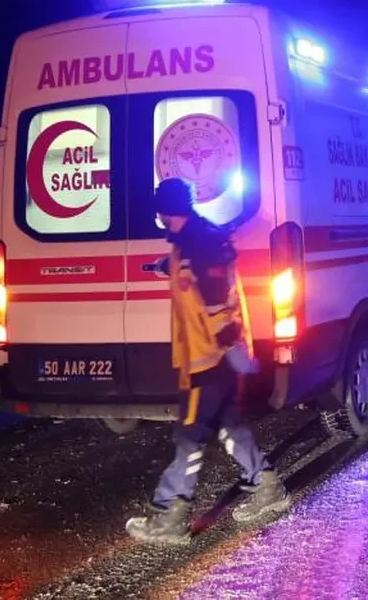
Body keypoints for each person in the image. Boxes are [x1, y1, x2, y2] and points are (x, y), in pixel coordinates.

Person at [125, 178, 290, 544]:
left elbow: (214, 295)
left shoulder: (197, 246)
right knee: (230, 424)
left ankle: (171, 515)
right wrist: (161, 266)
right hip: (219, 358)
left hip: (208, 360)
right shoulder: (196, 240)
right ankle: (268, 486)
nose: (161, 220)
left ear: (168, 213)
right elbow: (192, 273)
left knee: (189, 435)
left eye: (161, 214)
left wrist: (223, 347)